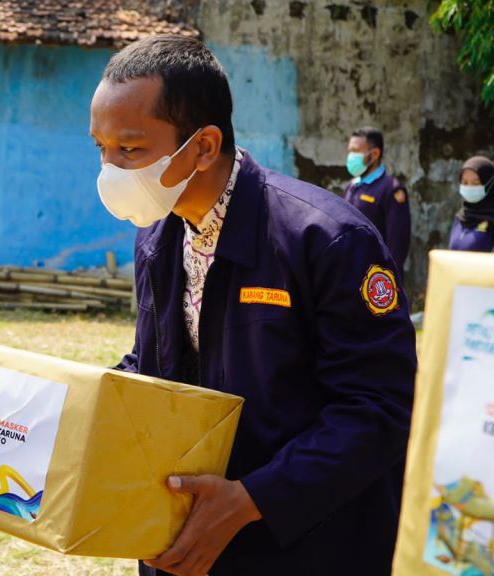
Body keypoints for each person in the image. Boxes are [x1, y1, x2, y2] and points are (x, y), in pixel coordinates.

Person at [91, 35, 416, 575]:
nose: (110, 169)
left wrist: (251, 498)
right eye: (100, 148)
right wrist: (73, 410)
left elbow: (377, 408)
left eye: (129, 149)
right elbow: (154, 366)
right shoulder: (159, 234)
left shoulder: (326, 239)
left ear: (203, 146)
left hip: (306, 544)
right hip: (186, 537)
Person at [344, 126, 412, 274]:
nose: (350, 156)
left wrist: (389, 278)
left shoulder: (391, 189)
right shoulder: (351, 186)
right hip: (351, 272)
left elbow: (397, 242)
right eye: (350, 151)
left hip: (376, 276)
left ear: (374, 154)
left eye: (355, 151)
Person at [448, 155, 494, 252]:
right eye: (465, 183)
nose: (469, 187)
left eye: (476, 183)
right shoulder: (461, 218)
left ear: (490, 185)